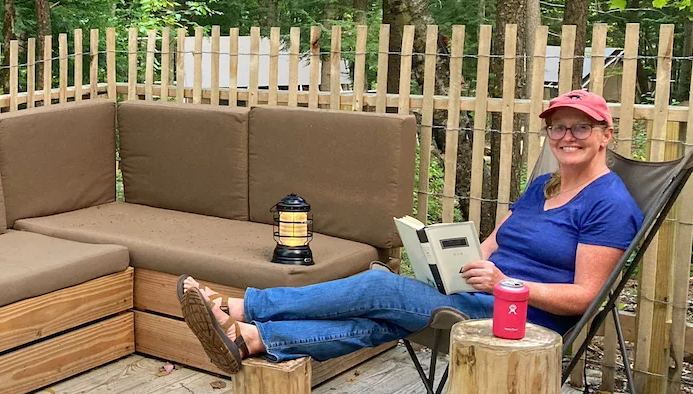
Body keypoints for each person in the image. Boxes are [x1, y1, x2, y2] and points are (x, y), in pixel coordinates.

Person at [178, 89, 643, 374]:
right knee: (381, 318)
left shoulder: (609, 204)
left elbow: (586, 297)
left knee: (378, 283)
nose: (567, 137)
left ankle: (244, 306)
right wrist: (449, 263)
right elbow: (496, 242)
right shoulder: (545, 185)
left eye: (581, 128)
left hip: (522, 321)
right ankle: (252, 340)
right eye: (558, 128)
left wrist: (506, 284)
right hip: (478, 296)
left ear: (605, 134)